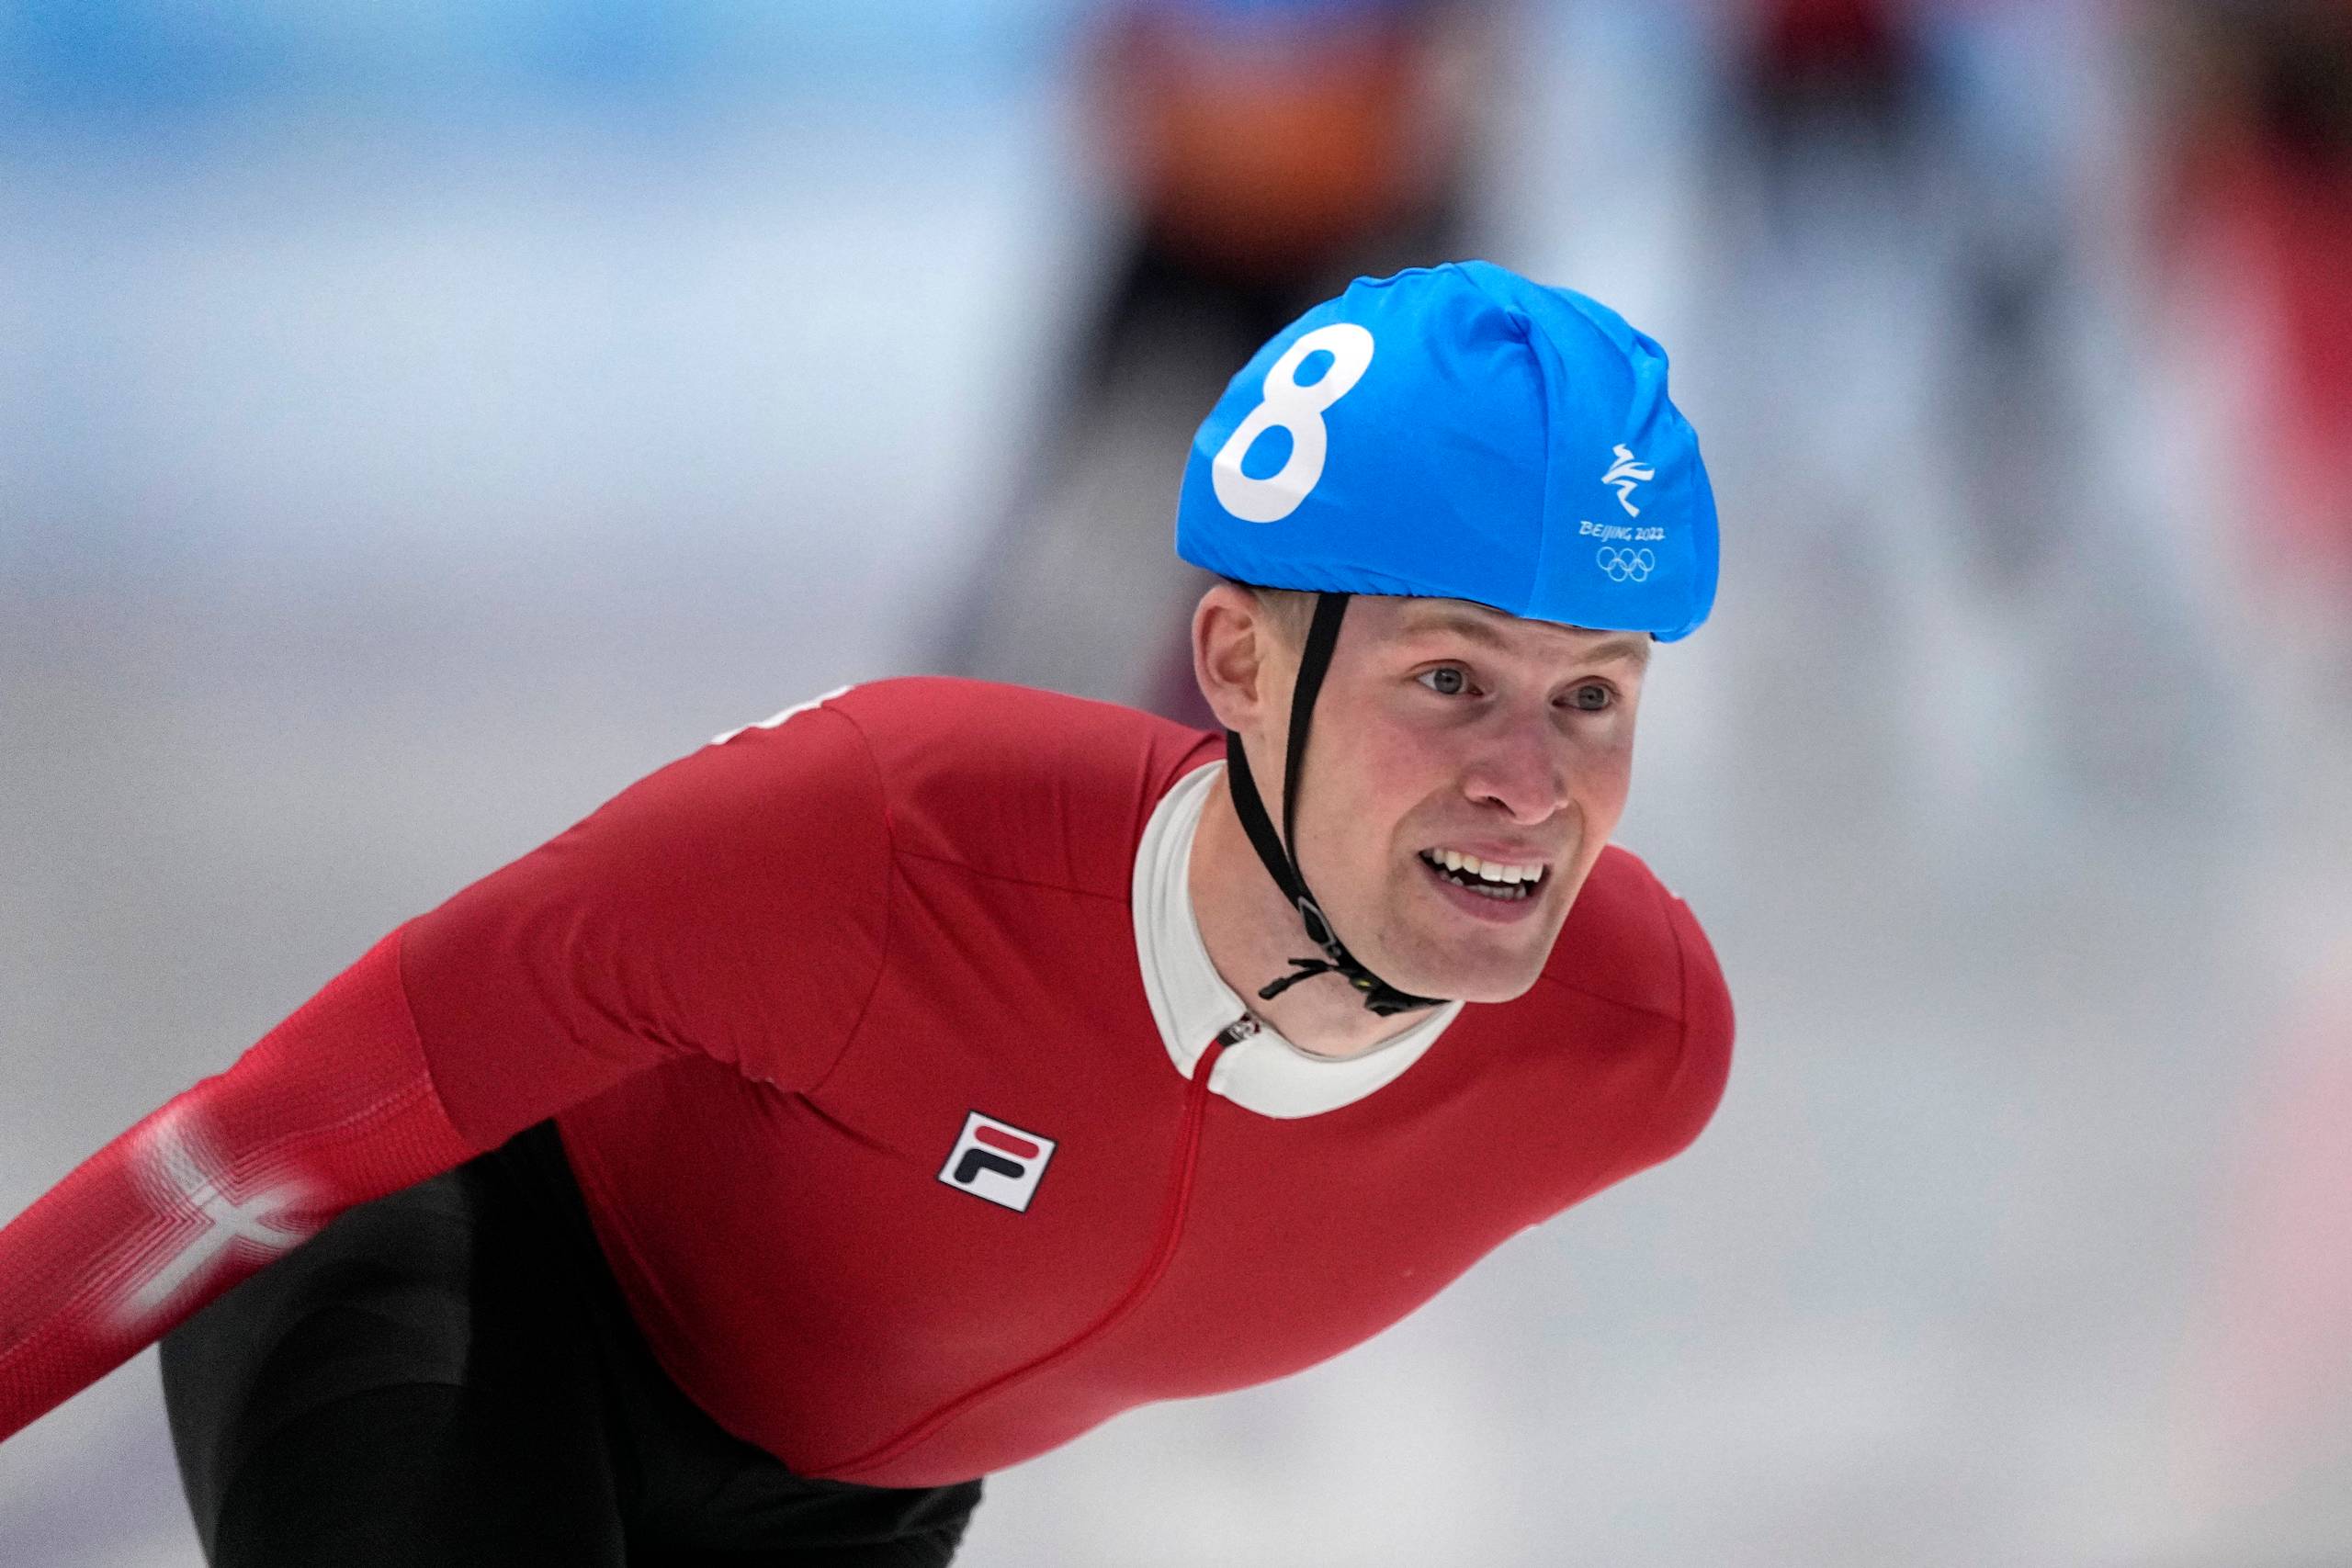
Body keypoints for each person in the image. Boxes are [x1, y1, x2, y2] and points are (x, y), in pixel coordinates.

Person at [0, 260, 1733, 1566]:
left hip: (841, 1505)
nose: (1530, 783)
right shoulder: (882, 840)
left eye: (1593, 696)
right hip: (460, 1283)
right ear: (1237, 665)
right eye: (1450, 679)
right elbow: (263, 1136)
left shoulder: (1633, 1049)